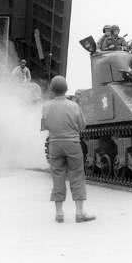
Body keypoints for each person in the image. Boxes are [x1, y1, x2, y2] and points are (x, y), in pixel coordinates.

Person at [41, 75, 95, 223]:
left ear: (52, 90)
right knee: (77, 175)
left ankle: (59, 214)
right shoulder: (74, 106)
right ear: (66, 89)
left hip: (55, 144)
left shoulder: (46, 106)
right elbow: (82, 126)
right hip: (72, 144)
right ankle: (79, 213)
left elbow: (44, 126)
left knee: (57, 176)